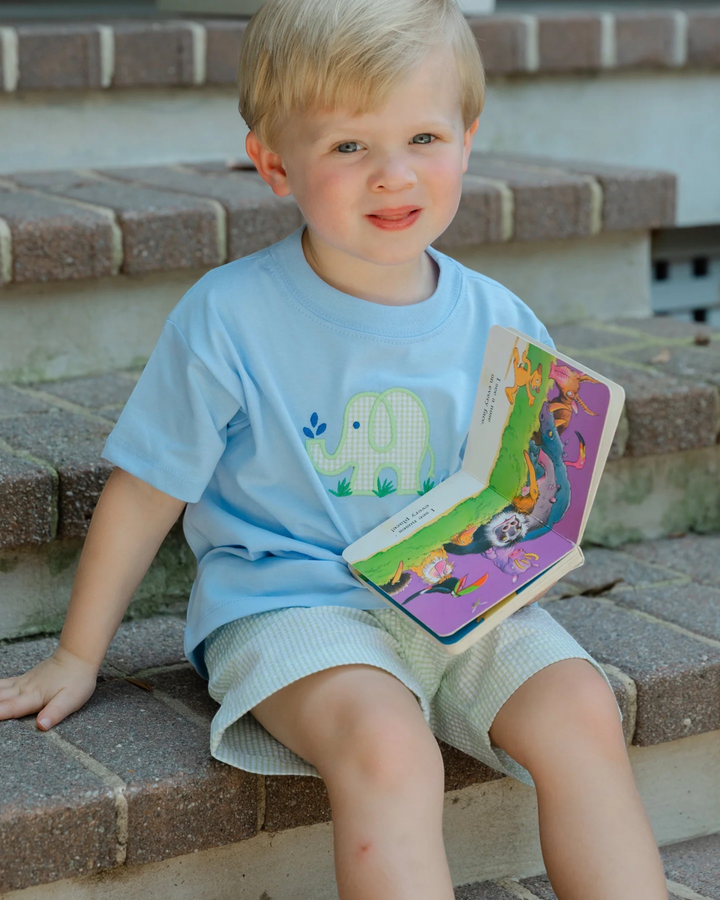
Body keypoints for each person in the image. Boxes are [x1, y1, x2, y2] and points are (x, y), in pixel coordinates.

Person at [0, 1, 668, 897]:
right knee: (390, 745)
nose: (394, 175)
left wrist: (536, 515)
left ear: (469, 139)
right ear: (275, 163)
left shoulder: (503, 322)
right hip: (295, 608)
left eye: (424, 135)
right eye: (350, 146)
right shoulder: (230, 317)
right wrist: (77, 656)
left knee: (583, 708)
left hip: (460, 606)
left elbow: (520, 489)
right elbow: (145, 488)